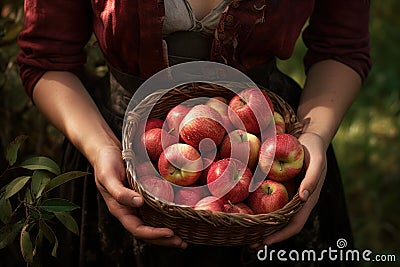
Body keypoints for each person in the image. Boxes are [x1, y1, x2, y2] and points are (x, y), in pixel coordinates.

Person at [17, 0, 371, 266]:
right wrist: (101, 149)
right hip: (124, 150)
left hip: (265, 140)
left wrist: (313, 138)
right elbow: (47, 56)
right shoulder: (115, 150)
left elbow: (340, 46)